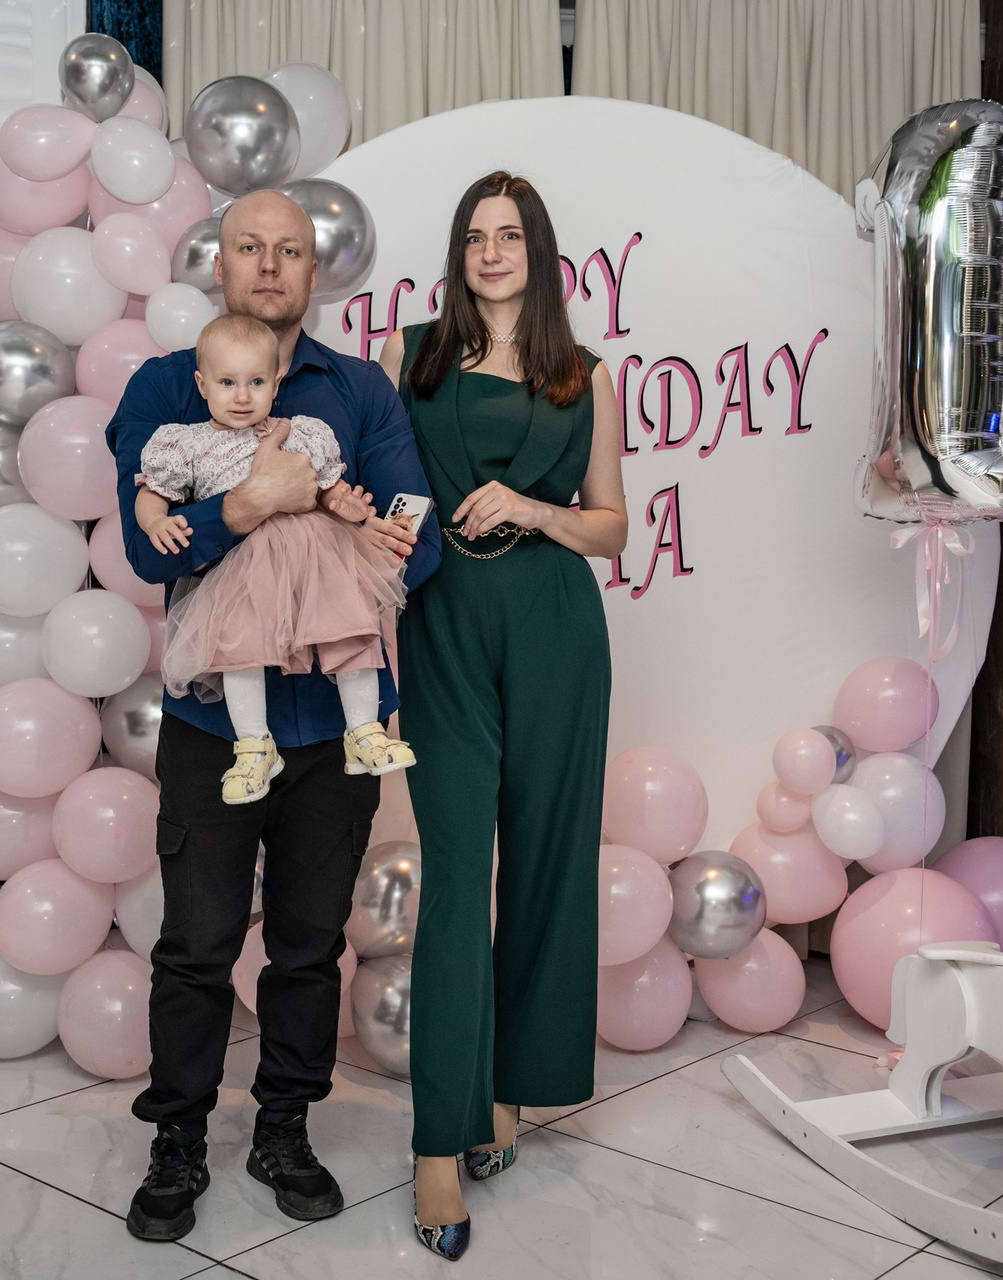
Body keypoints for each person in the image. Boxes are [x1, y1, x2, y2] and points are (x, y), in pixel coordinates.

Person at [107, 188, 441, 1245]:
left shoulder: (358, 390)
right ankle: (178, 1137)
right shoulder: (166, 386)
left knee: (307, 946)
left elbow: (418, 539)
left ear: (314, 270)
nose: (267, 264)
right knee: (197, 944)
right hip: (216, 718)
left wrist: (333, 523)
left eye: (288, 250)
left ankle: (284, 1129)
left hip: (335, 723)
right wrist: (249, 504)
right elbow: (141, 543)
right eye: (248, 246)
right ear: (219, 264)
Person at [380, 171, 627, 1261]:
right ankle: (438, 1144)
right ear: (458, 252)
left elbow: (611, 526)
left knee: (545, 865)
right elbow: (384, 487)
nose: (492, 252)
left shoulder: (586, 376)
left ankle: (508, 1092)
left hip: (555, 627)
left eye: (511, 235)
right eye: (476, 236)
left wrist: (533, 506)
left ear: (539, 251)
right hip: (443, 624)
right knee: (453, 873)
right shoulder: (413, 357)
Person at [134, 311, 415, 805]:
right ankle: (253, 746)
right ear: (202, 385)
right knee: (238, 649)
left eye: (256, 382)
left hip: (317, 556)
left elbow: (329, 489)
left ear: (276, 382)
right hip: (245, 567)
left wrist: (346, 505)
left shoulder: (301, 433)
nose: (242, 396)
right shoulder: (189, 443)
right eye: (227, 383)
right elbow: (151, 493)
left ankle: (364, 731)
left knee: (349, 628)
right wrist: (156, 521)